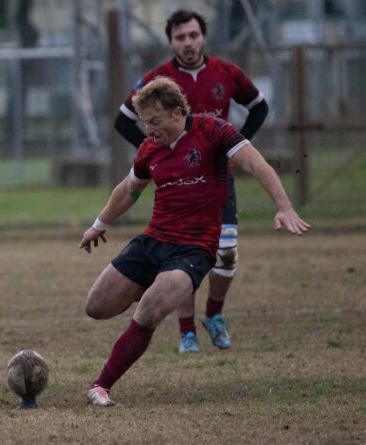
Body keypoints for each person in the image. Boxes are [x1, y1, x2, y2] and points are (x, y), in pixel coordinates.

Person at [81, 77, 308, 406]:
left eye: (154, 122)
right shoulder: (150, 149)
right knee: (96, 307)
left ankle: (101, 385)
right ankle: (156, 285)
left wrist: (284, 207)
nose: (149, 130)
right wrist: (98, 224)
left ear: (177, 113)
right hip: (153, 241)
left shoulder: (213, 131)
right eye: (145, 123)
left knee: (148, 311)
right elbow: (129, 189)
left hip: (194, 249)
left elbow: (256, 164)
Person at [114, 9, 270, 354]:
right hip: (177, 184)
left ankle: (214, 314)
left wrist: (238, 143)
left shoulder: (227, 73)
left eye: (193, 35)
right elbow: (123, 120)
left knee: (226, 254)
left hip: (217, 181)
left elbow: (259, 107)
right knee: (180, 255)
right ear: (170, 41)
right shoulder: (157, 79)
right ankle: (187, 332)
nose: (187, 42)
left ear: (204, 37)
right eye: (180, 37)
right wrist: (155, 155)